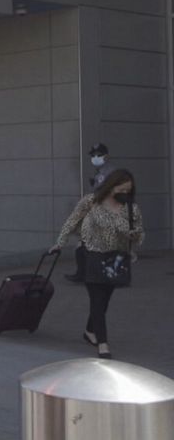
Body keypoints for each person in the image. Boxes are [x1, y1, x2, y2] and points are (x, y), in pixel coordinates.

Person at [54, 169, 143, 359]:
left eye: (128, 191)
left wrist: (134, 235)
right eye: (122, 189)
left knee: (104, 301)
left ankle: (89, 331)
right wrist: (59, 243)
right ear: (111, 186)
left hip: (116, 259)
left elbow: (139, 234)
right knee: (97, 299)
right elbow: (72, 221)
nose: (124, 194)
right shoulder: (91, 201)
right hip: (91, 255)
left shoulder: (130, 208)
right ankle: (103, 344)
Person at [67, 143, 117, 282]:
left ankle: (89, 275)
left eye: (99, 155)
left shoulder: (108, 172)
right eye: (93, 155)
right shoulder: (102, 171)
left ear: (106, 156)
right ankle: (85, 274)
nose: (95, 158)